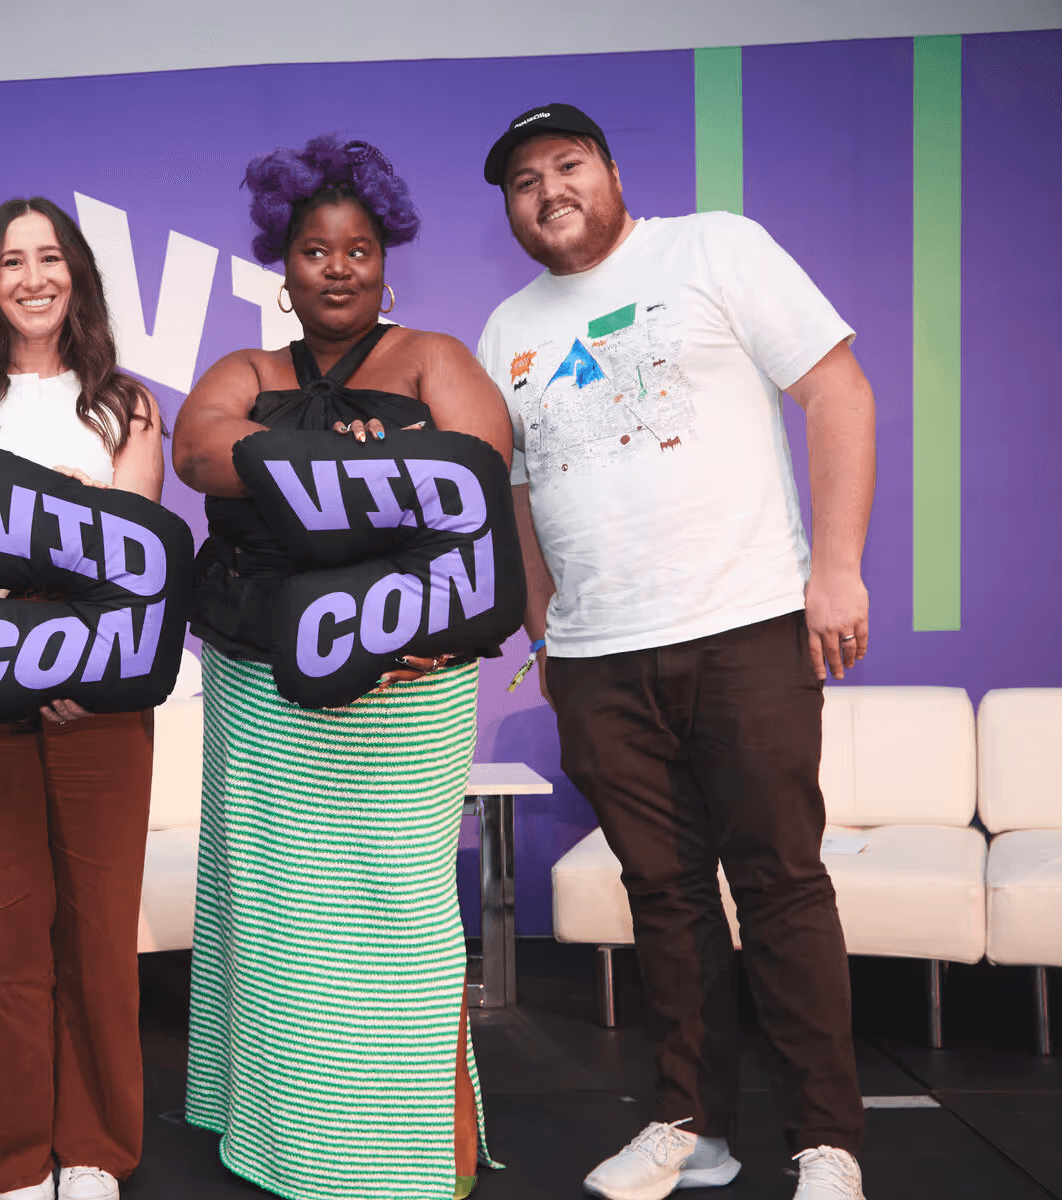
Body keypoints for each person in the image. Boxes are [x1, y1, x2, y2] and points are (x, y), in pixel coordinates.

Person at [475, 104, 877, 1200]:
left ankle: (827, 1143)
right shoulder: (505, 328)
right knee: (663, 895)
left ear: (611, 171)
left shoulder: (713, 247)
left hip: (745, 626)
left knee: (781, 887)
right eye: (523, 181)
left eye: (567, 165)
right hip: (599, 659)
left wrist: (837, 571)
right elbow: (519, 494)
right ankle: (692, 1128)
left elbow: (837, 390)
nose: (549, 191)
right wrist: (546, 628)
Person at [172, 134, 512, 1200]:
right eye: (315, 250)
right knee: (279, 921)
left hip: (407, 684)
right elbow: (198, 450)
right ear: (283, 263)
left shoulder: (434, 357)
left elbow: (480, 476)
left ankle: (414, 1159)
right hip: (261, 688)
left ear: (385, 259)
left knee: (399, 921)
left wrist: (304, 476)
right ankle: (291, 1145)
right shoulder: (248, 370)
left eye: (357, 249)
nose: (337, 268)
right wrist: (362, 466)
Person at [0, 196, 165, 1200]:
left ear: (77, 274)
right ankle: (16, 1162)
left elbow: (132, 556)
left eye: (50, 257)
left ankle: (93, 1152)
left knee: (97, 928)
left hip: (98, 667)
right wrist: (65, 507)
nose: (33, 277)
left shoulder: (127, 405)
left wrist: (10, 520)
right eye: (12, 261)